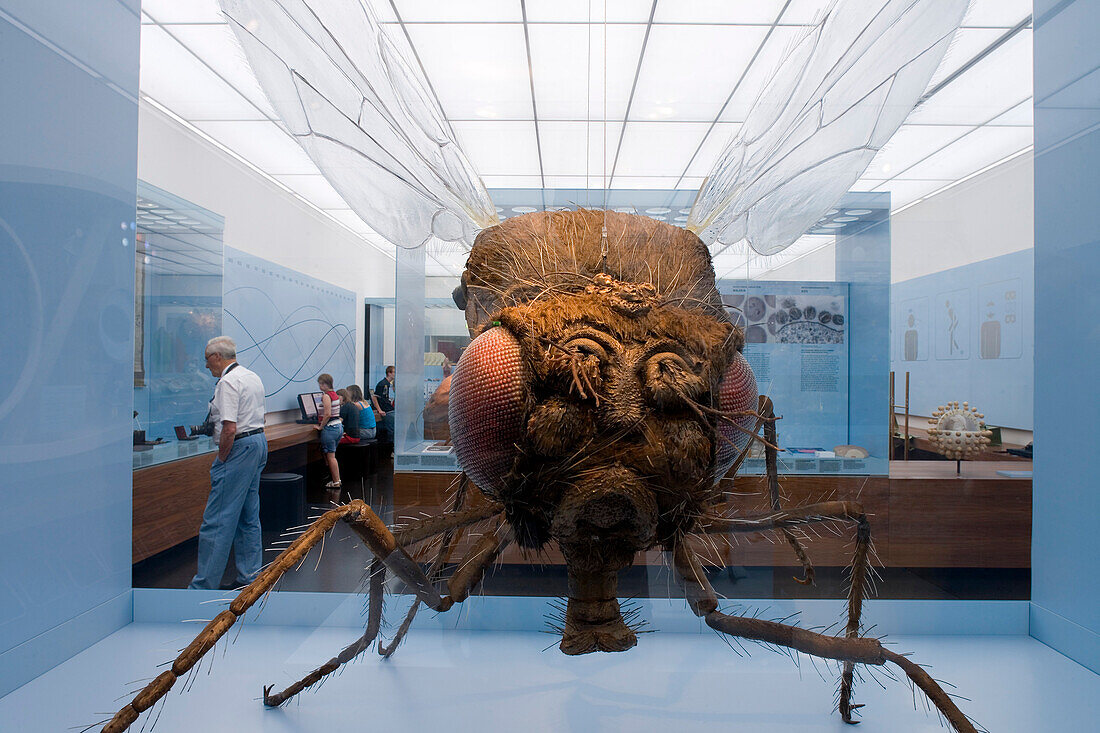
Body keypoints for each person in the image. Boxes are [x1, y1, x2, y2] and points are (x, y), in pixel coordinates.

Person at [188, 336, 268, 590]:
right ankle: (250, 577)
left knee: (218, 518)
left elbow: (229, 427)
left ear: (216, 357)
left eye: (206, 359)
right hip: (257, 443)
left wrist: (222, 458)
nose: (205, 366)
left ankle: (203, 585)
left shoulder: (228, 382)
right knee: (247, 515)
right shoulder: (251, 376)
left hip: (239, 448)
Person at [315, 373, 344, 502]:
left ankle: (336, 481)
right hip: (338, 427)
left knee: (330, 457)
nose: (320, 386)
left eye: (321, 383)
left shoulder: (326, 396)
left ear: (325, 384)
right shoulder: (336, 395)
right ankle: (334, 479)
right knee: (331, 455)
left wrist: (321, 427)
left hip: (330, 428)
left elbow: (327, 413)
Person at [373, 365, 395, 444]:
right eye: (394, 372)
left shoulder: (388, 384)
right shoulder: (382, 384)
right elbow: (374, 397)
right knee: (391, 430)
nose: (395, 374)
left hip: (389, 410)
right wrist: (379, 410)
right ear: (389, 373)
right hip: (386, 411)